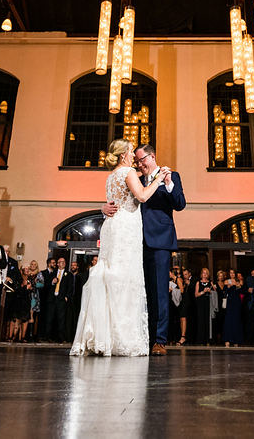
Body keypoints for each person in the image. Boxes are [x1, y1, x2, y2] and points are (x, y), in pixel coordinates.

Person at [71, 138, 169, 356]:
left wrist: (102, 208)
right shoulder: (128, 172)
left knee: (110, 276)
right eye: (131, 151)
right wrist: (159, 179)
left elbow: (114, 200)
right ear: (125, 154)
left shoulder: (110, 177)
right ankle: (121, 337)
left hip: (112, 227)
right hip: (126, 228)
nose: (134, 155)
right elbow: (142, 196)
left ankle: (103, 334)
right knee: (125, 279)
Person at [100, 142, 186, 356]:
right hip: (134, 242)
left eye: (142, 160)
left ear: (152, 157)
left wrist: (168, 184)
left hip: (159, 241)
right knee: (141, 292)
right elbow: (122, 202)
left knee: (159, 292)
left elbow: (180, 204)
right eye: (136, 161)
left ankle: (159, 340)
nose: (139, 164)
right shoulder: (135, 179)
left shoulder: (171, 176)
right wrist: (104, 209)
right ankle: (142, 337)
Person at [221, 269, 244, 346]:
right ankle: (227, 340)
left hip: (237, 302)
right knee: (228, 321)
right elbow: (224, 291)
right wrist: (228, 286)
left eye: (233, 273)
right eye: (230, 273)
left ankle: (236, 340)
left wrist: (237, 286)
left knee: (236, 320)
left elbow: (241, 291)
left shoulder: (239, 281)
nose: (232, 274)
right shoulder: (226, 281)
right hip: (230, 302)